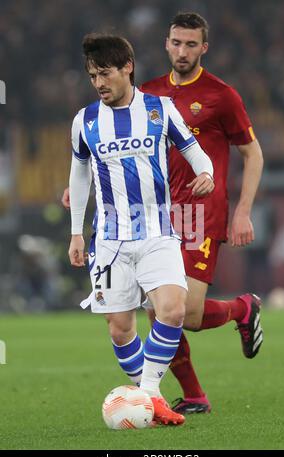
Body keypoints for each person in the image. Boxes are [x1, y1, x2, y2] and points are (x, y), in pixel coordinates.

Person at [63, 11, 264, 415]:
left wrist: (236, 204)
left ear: (203, 47)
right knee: (139, 321)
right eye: (176, 42)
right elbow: (83, 165)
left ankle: (237, 314)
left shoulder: (213, 96)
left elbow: (242, 152)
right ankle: (183, 395)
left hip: (185, 217)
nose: (182, 50)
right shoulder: (108, 110)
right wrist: (77, 221)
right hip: (122, 231)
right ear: (165, 44)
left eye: (191, 43)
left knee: (177, 310)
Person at [68, 33, 214, 425]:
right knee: (120, 331)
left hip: (157, 233)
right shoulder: (85, 121)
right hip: (110, 240)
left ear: (127, 67)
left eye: (105, 73)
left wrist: (207, 173)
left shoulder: (160, 109)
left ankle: (148, 395)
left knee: (172, 308)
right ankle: (156, 397)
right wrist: (76, 233)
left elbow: (194, 150)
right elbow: (79, 174)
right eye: (92, 76)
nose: (99, 83)